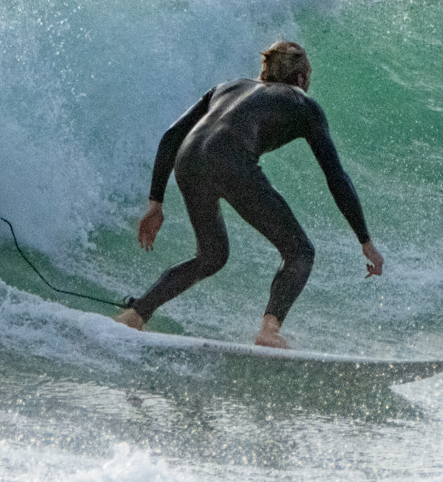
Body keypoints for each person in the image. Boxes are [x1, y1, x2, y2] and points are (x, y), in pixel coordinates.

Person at [113, 41, 385, 348]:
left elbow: (172, 135)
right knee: (300, 251)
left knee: (212, 255)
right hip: (230, 160)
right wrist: (365, 240)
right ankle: (269, 332)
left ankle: (135, 315)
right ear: (300, 78)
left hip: (188, 160)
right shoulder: (303, 104)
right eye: (308, 75)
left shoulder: (227, 87)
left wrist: (156, 203)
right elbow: (336, 176)